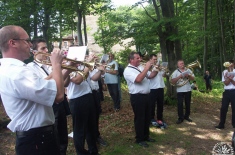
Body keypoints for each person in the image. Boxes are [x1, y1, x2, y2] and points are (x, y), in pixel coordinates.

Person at [0, 25, 66, 154]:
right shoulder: (18, 72)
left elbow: (45, 84)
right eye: (27, 41)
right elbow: (58, 95)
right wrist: (56, 64)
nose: (30, 45)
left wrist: (64, 68)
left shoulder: (10, 69)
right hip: (37, 141)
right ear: (13, 43)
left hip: (35, 139)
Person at [28, 38, 71, 155]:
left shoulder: (49, 66)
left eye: (47, 47)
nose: (47, 50)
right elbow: (43, 85)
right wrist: (57, 67)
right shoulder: (30, 68)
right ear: (34, 52)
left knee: (63, 136)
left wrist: (68, 68)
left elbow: (64, 84)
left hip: (60, 103)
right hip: (49, 106)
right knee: (55, 138)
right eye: (43, 48)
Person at [123, 52, 156, 148]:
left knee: (147, 117)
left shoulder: (140, 67)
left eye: (140, 58)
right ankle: (139, 139)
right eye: (137, 58)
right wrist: (146, 67)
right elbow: (138, 80)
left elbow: (150, 76)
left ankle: (146, 136)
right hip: (137, 97)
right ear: (131, 60)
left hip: (146, 96)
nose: (140, 59)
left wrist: (156, 69)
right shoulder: (128, 70)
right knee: (140, 118)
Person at [66, 63, 99, 155]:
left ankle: (93, 151)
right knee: (79, 130)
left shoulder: (82, 65)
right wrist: (87, 67)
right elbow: (77, 80)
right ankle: (81, 152)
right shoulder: (68, 66)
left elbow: (93, 78)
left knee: (91, 127)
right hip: (77, 100)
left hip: (88, 96)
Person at [86, 56, 107, 146]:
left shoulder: (93, 67)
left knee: (96, 115)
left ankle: (96, 135)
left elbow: (96, 77)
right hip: (87, 94)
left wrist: (101, 70)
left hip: (95, 93)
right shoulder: (85, 66)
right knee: (90, 118)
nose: (95, 61)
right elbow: (91, 78)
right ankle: (91, 138)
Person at [171, 60, 195, 124]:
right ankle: (180, 118)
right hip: (180, 90)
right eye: (180, 64)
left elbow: (193, 79)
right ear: (178, 65)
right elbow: (172, 81)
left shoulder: (188, 70)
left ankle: (187, 116)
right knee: (180, 104)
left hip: (188, 89)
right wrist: (179, 76)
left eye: (183, 63)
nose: (182, 64)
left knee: (188, 104)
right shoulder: (175, 72)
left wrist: (188, 76)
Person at [148, 54, 167, 129]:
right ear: (150, 59)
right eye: (154, 59)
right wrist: (156, 69)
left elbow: (163, 75)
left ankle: (160, 118)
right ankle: (151, 118)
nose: (155, 60)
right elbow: (150, 76)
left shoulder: (159, 66)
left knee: (160, 104)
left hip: (160, 87)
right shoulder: (149, 67)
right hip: (152, 88)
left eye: (156, 59)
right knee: (152, 104)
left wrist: (165, 70)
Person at [215, 60, 235, 129]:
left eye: (231, 65)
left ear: (234, 65)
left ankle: (234, 125)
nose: (230, 66)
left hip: (234, 92)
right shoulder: (224, 72)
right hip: (226, 92)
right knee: (223, 108)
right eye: (229, 65)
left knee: (234, 108)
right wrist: (230, 78)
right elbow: (226, 83)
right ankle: (221, 124)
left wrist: (231, 79)